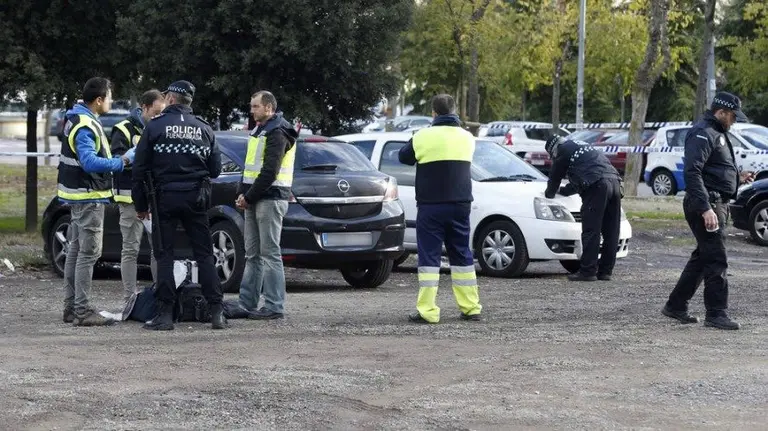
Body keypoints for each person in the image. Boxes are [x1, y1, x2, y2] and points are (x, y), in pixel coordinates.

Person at [132, 80, 226, 331]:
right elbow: (215, 169)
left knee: (164, 255)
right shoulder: (204, 128)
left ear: (170, 99)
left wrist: (140, 204)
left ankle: (164, 315)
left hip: (164, 198)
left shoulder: (155, 127)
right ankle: (216, 311)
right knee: (205, 254)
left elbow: (139, 169)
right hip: (196, 198)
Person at [662, 92, 755, 330]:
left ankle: (676, 305)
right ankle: (716, 313)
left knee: (703, 258)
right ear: (721, 112)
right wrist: (705, 209)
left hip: (715, 202)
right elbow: (692, 172)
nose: (734, 121)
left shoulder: (717, 133)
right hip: (707, 204)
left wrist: (737, 178)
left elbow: (713, 169)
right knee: (716, 259)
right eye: (733, 116)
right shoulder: (703, 132)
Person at [397, 94, 482, 324]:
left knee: (429, 258)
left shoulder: (422, 136)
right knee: (462, 254)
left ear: (434, 113)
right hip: (460, 204)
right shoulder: (467, 138)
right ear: (455, 112)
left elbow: (403, 157)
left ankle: (428, 311)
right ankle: (471, 307)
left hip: (431, 206)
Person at [58, 77, 133, 326]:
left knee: (77, 251)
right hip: (88, 197)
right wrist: (122, 162)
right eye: (109, 97)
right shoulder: (86, 125)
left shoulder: (77, 119)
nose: (111, 101)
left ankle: (72, 308)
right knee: (88, 253)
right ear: (99, 100)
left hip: (78, 195)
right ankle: (81, 311)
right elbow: (89, 162)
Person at [235, 91, 298, 320]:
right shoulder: (260, 130)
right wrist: (243, 194)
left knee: (269, 253)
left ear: (269, 108)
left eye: (255, 107)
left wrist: (248, 196)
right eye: (251, 106)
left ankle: (274, 305)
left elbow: (270, 171)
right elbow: (250, 167)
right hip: (257, 198)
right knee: (253, 254)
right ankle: (247, 302)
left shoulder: (277, 132)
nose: (251, 111)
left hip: (271, 198)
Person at [110, 89, 164, 310]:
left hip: (153, 197)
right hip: (129, 197)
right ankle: (129, 299)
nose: (159, 116)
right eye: (156, 112)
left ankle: (160, 296)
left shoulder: (160, 127)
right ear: (144, 107)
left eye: (162, 113)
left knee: (157, 249)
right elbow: (116, 161)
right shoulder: (123, 129)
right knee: (130, 249)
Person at [543, 135, 623, 282]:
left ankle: (588, 271)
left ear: (553, 149)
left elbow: (555, 177)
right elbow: (585, 174)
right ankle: (605, 272)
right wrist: (566, 191)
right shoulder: (581, 146)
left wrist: (549, 193)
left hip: (597, 185)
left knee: (591, 231)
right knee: (611, 231)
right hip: (615, 182)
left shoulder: (562, 150)